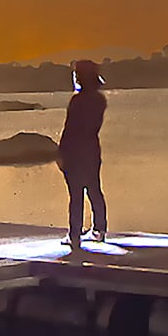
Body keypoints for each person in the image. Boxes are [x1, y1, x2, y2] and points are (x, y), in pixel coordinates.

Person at [58, 59, 110, 245]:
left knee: (76, 194)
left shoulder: (78, 101)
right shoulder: (99, 99)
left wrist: (61, 152)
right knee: (94, 189)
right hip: (92, 148)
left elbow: (70, 128)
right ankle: (100, 230)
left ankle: (74, 235)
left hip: (75, 150)